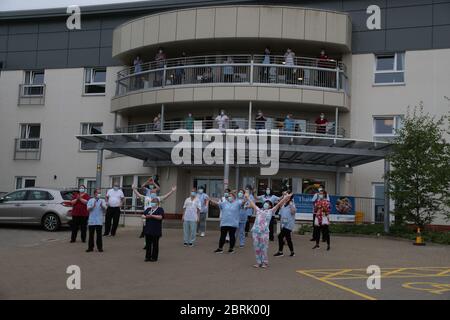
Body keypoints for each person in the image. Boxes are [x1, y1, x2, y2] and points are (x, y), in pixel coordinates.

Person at [245, 192, 292, 268]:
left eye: (268, 203)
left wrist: (285, 198)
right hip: (256, 231)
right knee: (257, 248)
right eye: (265, 203)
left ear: (270, 206)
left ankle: (265, 262)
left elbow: (279, 204)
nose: (265, 204)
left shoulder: (270, 211)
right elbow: (252, 204)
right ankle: (258, 262)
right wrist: (247, 197)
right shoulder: (258, 210)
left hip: (264, 232)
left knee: (263, 248)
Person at [274, 192, 296, 257]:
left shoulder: (292, 204)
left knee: (280, 236)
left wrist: (291, 204)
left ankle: (280, 252)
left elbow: (293, 212)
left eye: (286, 196)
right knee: (288, 238)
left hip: (289, 224)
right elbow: (281, 212)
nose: (285, 197)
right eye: (285, 196)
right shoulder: (284, 204)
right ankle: (292, 252)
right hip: (283, 224)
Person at [142, 197, 164, 262]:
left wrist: (152, 216)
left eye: (154, 202)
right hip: (148, 230)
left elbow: (160, 217)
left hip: (156, 230)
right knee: (148, 244)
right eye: (152, 202)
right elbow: (143, 215)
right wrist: (145, 216)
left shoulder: (160, 209)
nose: (152, 203)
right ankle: (147, 257)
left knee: (155, 244)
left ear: (157, 203)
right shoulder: (148, 209)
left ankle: (154, 257)